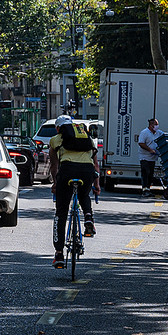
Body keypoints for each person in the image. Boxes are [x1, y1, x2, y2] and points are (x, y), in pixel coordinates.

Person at [49, 114, 98, 268]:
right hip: (87, 171)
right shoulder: (87, 137)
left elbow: (53, 165)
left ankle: (58, 254)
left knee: (61, 212)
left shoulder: (57, 139)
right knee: (84, 194)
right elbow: (95, 164)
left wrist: (56, 183)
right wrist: (96, 185)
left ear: (58, 128)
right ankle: (88, 218)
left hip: (67, 171)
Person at [137, 117, 161, 196]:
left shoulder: (158, 133)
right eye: (156, 124)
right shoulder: (144, 132)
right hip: (145, 157)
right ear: (151, 125)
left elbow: (165, 136)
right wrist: (150, 150)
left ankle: (148, 189)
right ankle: (145, 190)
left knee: (150, 174)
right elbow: (141, 143)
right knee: (146, 173)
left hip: (153, 158)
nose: (157, 126)